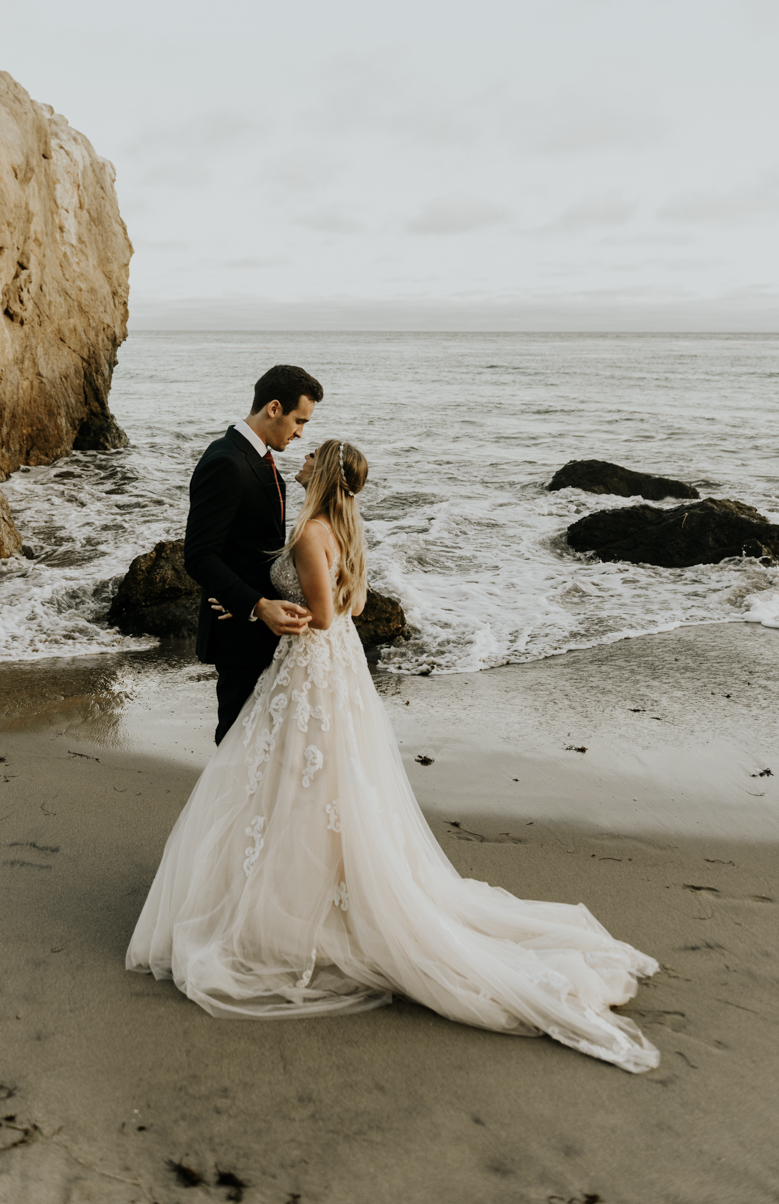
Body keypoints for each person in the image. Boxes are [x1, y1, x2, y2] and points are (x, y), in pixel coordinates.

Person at [128, 440, 660, 1073]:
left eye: (309, 456)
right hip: (335, 669)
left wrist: (274, 614)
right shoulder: (345, 529)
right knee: (322, 784)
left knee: (300, 779)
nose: (297, 461)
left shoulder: (309, 535)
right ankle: (314, 884)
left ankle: (299, 901)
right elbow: (352, 606)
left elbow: (325, 615)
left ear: (320, 473)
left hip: (310, 666)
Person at [183, 364, 324, 746]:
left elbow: (252, 548)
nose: (300, 433)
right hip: (239, 635)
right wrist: (255, 605)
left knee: (262, 746)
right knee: (236, 746)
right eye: (299, 420)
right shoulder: (226, 461)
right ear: (274, 408)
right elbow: (198, 555)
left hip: (263, 628)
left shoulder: (259, 458)